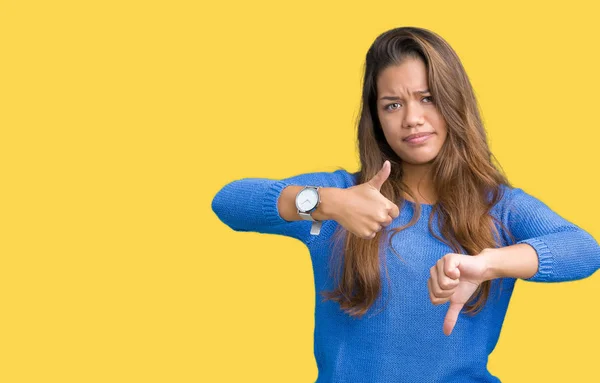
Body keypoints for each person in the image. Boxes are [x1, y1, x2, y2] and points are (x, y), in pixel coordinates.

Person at [210, 26, 600, 383]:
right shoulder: (344, 197)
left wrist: (488, 263)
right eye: (392, 105)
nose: (412, 119)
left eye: (427, 98)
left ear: (453, 103)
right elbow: (228, 201)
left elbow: (584, 250)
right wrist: (325, 203)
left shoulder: (499, 207)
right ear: (376, 118)